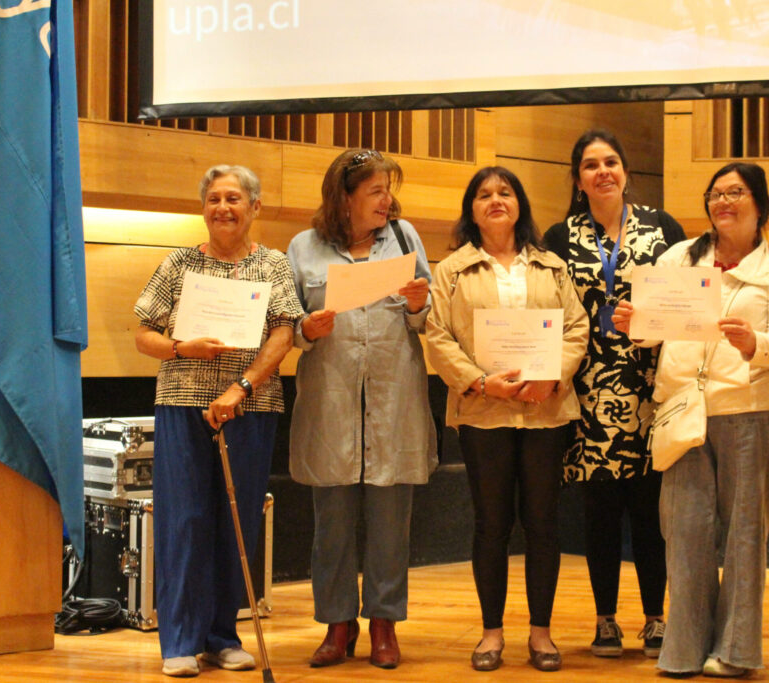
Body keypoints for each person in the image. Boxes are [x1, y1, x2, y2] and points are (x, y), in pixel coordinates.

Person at [614, 161, 769, 677]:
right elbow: (655, 330)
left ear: (759, 204)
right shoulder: (680, 257)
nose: (723, 202)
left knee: (744, 534)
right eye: (715, 194)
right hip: (681, 408)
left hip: (746, 410)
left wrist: (754, 343)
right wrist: (635, 324)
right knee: (686, 531)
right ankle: (683, 650)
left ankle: (738, 651)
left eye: (735, 193)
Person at [134, 165, 302, 678]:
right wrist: (182, 346)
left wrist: (242, 385)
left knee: (238, 519)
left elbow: (284, 334)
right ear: (203, 208)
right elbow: (142, 333)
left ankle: (221, 636)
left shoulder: (272, 264)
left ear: (254, 207)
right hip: (183, 402)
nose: (222, 207)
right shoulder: (179, 263)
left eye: (233, 198)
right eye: (213, 199)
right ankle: (180, 640)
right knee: (184, 519)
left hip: (250, 406)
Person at [425, 166, 589, 672]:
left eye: (505, 192)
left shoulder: (553, 266)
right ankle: (491, 633)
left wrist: (551, 376)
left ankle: (541, 634)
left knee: (542, 523)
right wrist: (480, 382)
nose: (495, 200)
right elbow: (437, 336)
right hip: (482, 411)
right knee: (491, 524)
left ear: (519, 204)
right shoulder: (451, 269)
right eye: (483, 195)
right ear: (470, 209)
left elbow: (576, 329)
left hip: (545, 410)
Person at [286, 148, 438, 670]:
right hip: (330, 402)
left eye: (388, 190)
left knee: (391, 520)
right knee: (332, 523)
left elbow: (427, 320)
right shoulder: (304, 247)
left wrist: (419, 303)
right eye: (376, 191)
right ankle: (336, 624)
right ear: (344, 197)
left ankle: (383, 625)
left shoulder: (404, 237)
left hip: (393, 400)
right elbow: (287, 324)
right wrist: (307, 329)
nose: (387, 200)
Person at [542, 129, 685, 658]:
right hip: (587, 395)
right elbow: (549, 310)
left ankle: (655, 617)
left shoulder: (662, 227)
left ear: (625, 171)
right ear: (578, 179)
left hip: (651, 388)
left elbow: (687, 301)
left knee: (651, 512)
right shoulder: (560, 237)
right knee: (599, 511)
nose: (602, 171)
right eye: (590, 165)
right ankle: (605, 619)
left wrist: (647, 318)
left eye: (611, 162)